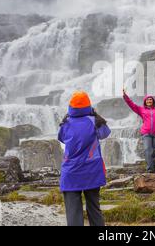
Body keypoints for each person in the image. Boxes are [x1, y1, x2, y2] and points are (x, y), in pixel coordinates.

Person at [58, 91, 111, 227]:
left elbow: (62, 138)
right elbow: (105, 133)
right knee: (94, 208)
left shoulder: (66, 123)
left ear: (71, 107)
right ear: (89, 106)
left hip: (71, 172)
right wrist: (94, 114)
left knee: (73, 212)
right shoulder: (95, 122)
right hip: (92, 171)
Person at [123, 89, 155, 173]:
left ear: (153, 101)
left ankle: (153, 168)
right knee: (148, 150)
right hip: (146, 133)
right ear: (145, 102)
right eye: (147, 99)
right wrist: (125, 97)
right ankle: (149, 170)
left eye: (150, 99)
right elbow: (132, 105)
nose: (149, 101)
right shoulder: (141, 109)